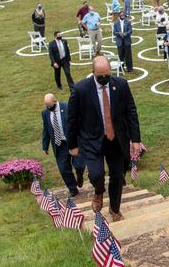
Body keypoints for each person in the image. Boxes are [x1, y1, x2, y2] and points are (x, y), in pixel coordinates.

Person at [67, 56, 142, 218]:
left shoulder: (121, 85)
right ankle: (99, 191)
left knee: (117, 176)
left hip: (116, 140)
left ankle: (115, 209)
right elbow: (72, 119)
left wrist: (135, 139)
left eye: (107, 75)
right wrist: (72, 145)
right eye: (100, 76)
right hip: (92, 140)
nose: (104, 79)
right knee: (96, 175)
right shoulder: (80, 90)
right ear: (93, 72)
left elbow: (131, 111)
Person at [42, 93, 85, 197]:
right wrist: (45, 146)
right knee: (63, 169)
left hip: (73, 142)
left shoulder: (67, 107)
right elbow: (46, 130)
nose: (48, 107)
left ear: (55, 101)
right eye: (46, 105)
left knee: (79, 165)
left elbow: (78, 123)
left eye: (50, 105)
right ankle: (73, 189)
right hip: (59, 145)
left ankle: (79, 176)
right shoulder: (45, 113)